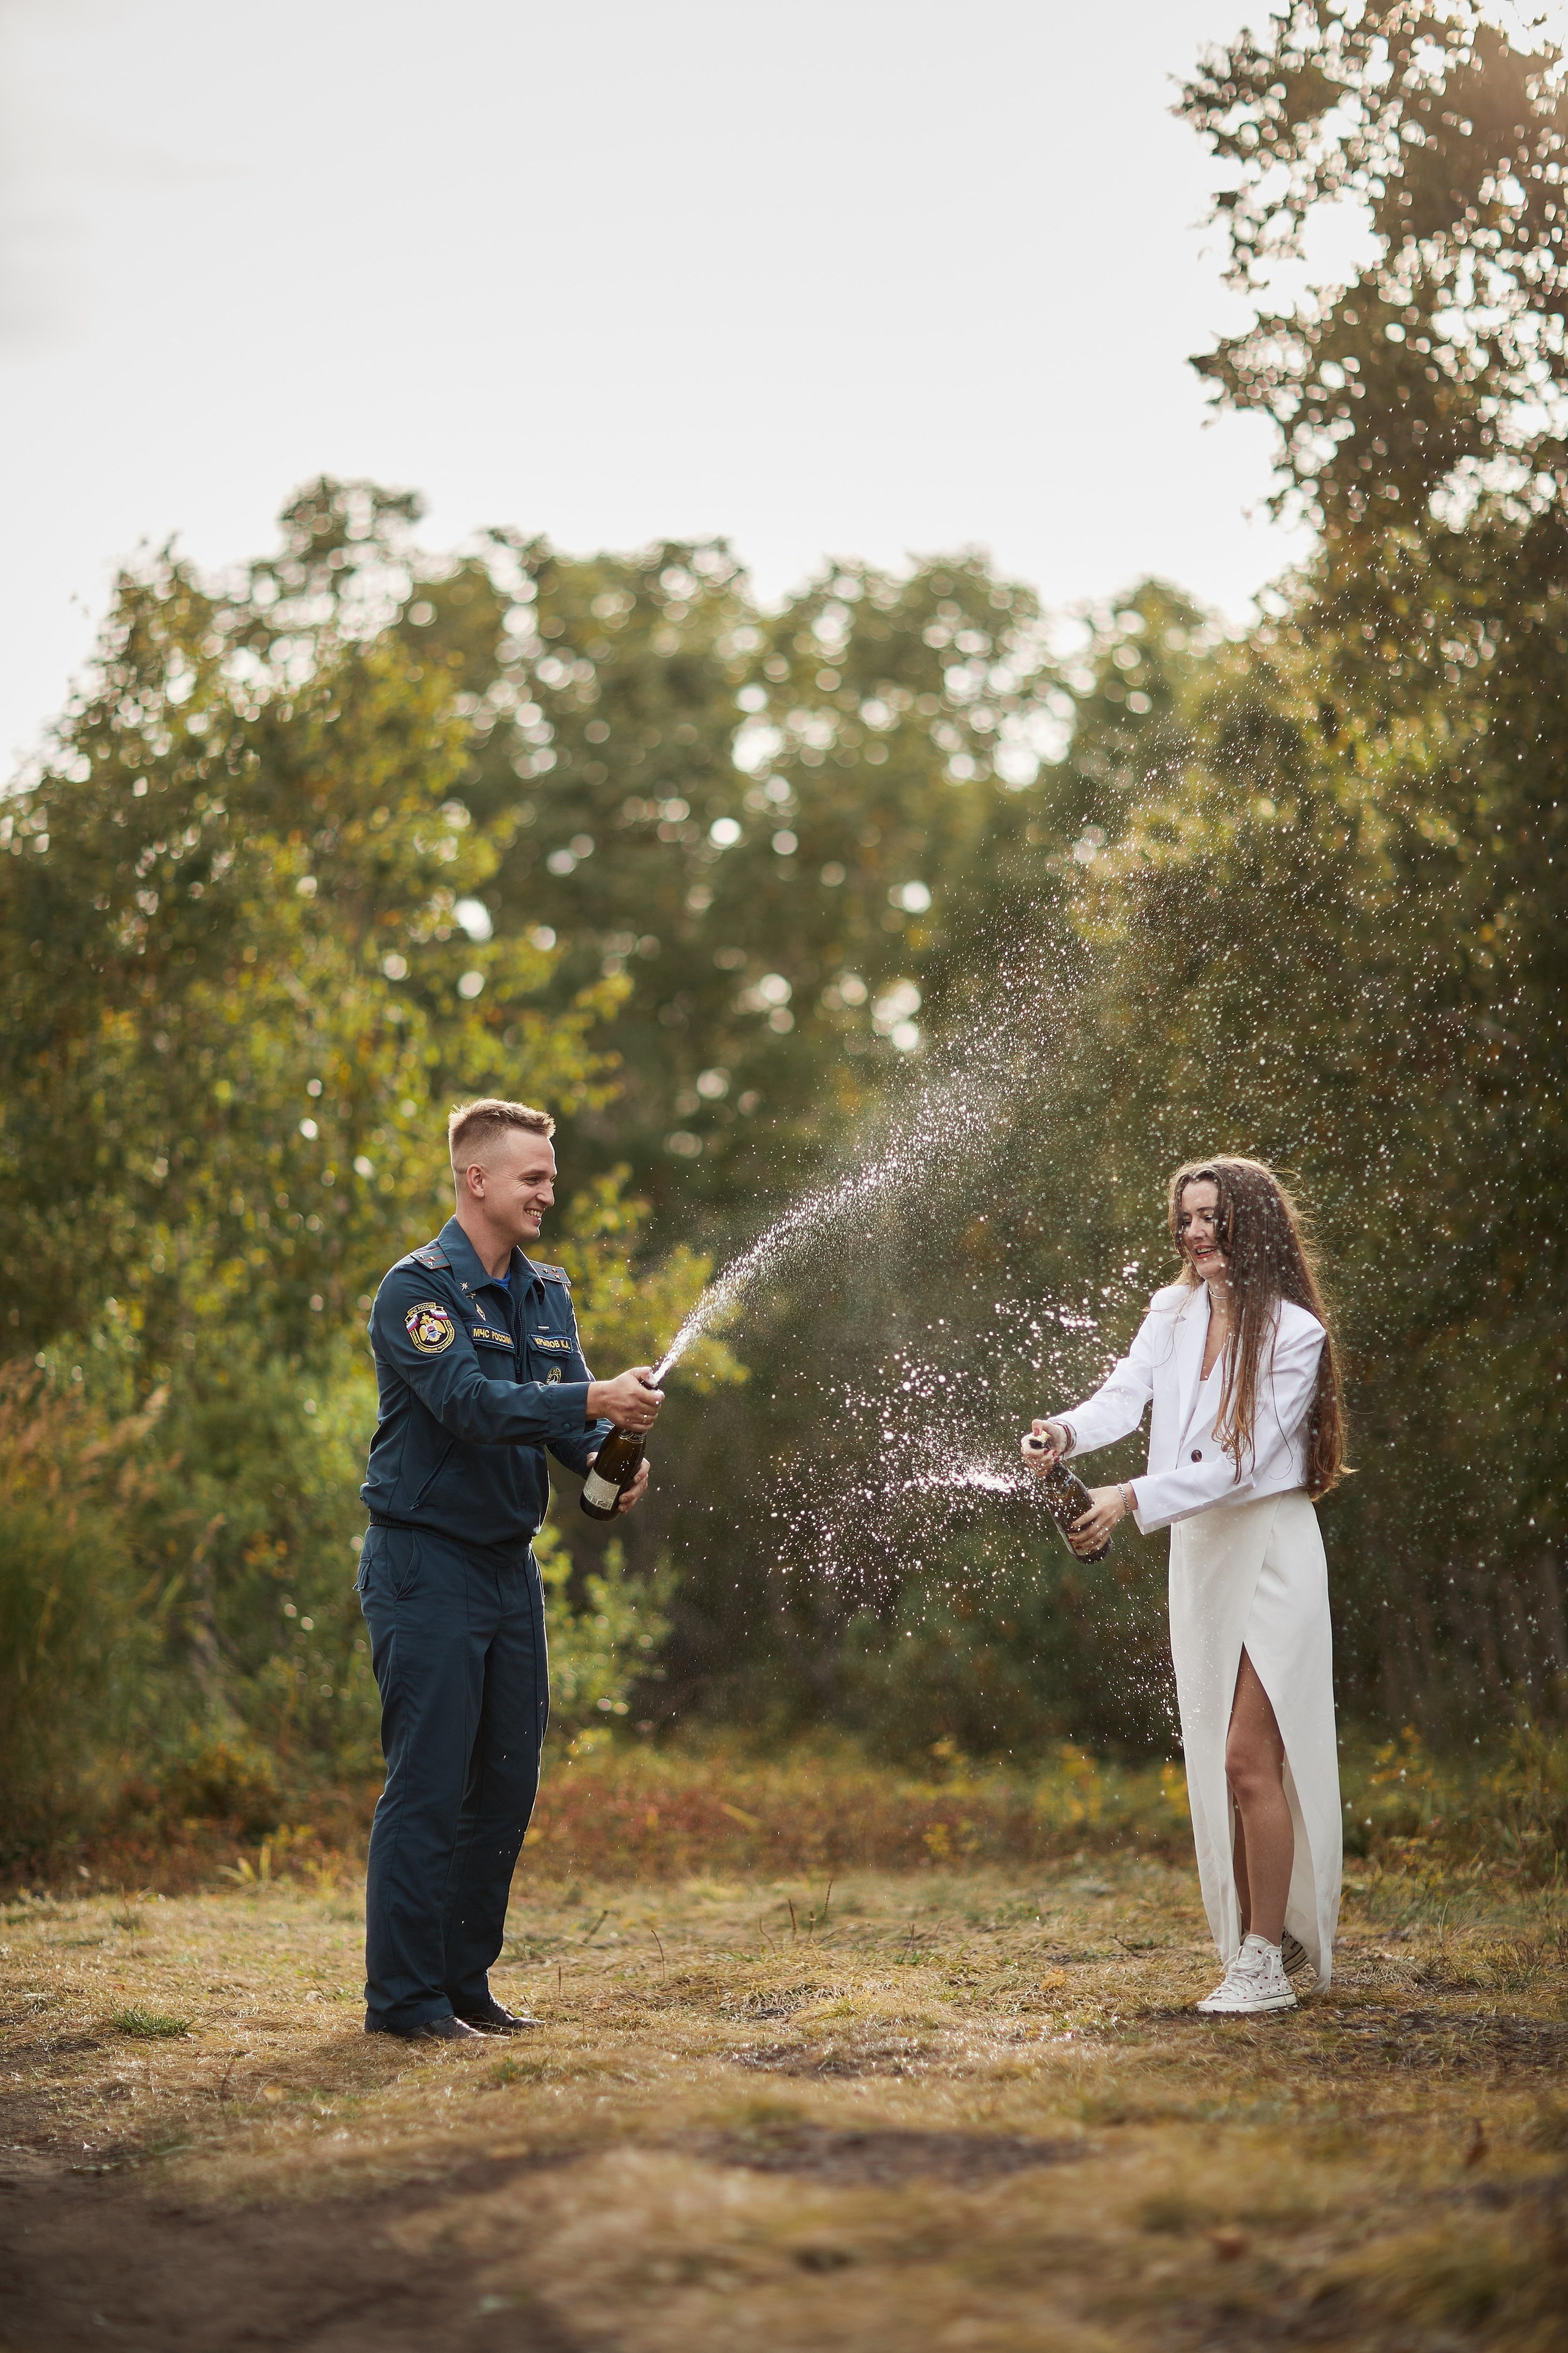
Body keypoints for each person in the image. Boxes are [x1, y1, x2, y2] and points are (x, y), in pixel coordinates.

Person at [357, 1097, 663, 2040]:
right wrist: (589, 1394)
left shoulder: (548, 1292)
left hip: (506, 1568)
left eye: (552, 1178)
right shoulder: (416, 1291)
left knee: (504, 1781)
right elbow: (470, 1404)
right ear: (475, 1179)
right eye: (533, 1177)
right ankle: (403, 2003)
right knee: (430, 1778)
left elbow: (565, 1424)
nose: (548, 1192)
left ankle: (461, 1986)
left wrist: (613, 1450)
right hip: (424, 1563)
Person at [1022, 1156, 1346, 2017]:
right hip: (1200, 1556)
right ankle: (1260, 1938)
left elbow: (1241, 1467)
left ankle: (1263, 1967)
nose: (1198, 1232)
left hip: (1272, 1551)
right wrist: (1063, 1431)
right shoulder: (1172, 1311)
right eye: (1187, 1219)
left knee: (1251, 1757)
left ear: (1256, 1225)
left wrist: (1128, 1495)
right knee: (1224, 1763)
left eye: (1215, 1216)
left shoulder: (1295, 1334)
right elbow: (1125, 1398)